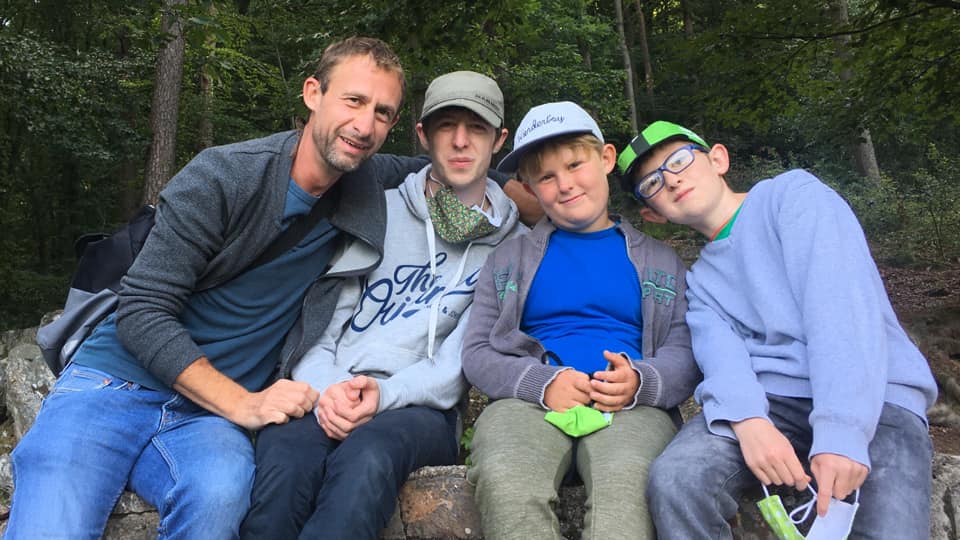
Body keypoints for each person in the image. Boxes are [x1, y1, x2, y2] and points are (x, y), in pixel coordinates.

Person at [5, 37, 431, 539]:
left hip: (204, 423)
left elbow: (460, 166)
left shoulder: (366, 178)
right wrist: (245, 405)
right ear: (313, 93)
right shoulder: (224, 175)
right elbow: (142, 309)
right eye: (353, 100)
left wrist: (518, 185)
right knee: (52, 521)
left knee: (221, 497)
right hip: (115, 385)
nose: (364, 125)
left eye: (383, 113)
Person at [239, 70, 525, 539]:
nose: (460, 141)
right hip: (330, 385)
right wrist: (329, 388)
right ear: (423, 135)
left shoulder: (515, 247)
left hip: (422, 407)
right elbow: (324, 316)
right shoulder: (377, 210)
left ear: (499, 140)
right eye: (446, 127)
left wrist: (384, 396)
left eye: (477, 128)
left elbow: (459, 360)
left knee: (367, 460)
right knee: (285, 465)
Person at [619, 120, 938, 539]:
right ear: (653, 214)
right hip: (775, 402)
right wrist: (749, 421)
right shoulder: (698, 282)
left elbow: (840, 311)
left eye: (679, 160)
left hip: (878, 396)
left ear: (718, 159)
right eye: (653, 183)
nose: (672, 180)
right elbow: (722, 360)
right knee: (678, 479)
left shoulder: (793, 198)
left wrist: (841, 432)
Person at [461, 102, 700, 540]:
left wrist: (640, 382)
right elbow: (477, 351)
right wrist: (542, 383)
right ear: (529, 187)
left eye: (575, 165)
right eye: (546, 177)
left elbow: (684, 350)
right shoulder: (507, 260)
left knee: (628, 482)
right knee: (507, 478)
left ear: (606, 159)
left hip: (631, 408)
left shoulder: (661, 261)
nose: (565, 184)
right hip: (526, 404)